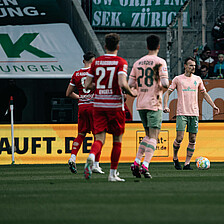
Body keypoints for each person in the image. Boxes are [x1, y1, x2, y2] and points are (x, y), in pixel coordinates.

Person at [84, 33, 137, 182]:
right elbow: (121, 83)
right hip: (114, 106)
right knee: (117, 140)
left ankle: (91, 156)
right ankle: (112, 174)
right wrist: (131, 92)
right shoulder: (121, 62)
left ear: (105, 46)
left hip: (99, 105)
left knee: (99, 138)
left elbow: (87, 85)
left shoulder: (96, 62)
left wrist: (100, 86)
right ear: (118, 47)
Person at [163, 57, 220, 170]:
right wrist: (165, 106)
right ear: (185, 66)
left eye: (194, 65)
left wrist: (213, 105)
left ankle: (187, 164)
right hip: (182, 113)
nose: (193, 67)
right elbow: (167, 93)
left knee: (192, 139)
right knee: (179, 138)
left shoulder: (198, 79)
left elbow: (204, 94)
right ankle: (175, 158)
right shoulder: (178, 79)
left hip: (194, 113)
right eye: (190, 65)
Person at [128, 35, 169, 179]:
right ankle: (145, 165)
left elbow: (130, 86)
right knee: (154, 136)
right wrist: (168, 87)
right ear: (159, 46)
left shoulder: (138, 63)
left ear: (147, 46)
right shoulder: (160, 62)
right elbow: (164, 83)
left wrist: (137, 92)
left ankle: (136, 162)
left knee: (147, 135)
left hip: (141, 104)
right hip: (154, 103)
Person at [66, 51, 105, 174]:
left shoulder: (76, 74)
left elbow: (68, 93)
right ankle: (96, 165)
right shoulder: (96, 73)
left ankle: (72, 157)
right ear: (94, 62)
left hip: (82, 107)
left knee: (81, 134)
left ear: (84, 61)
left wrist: (80, 97)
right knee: (98, 136)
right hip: (94, 107)